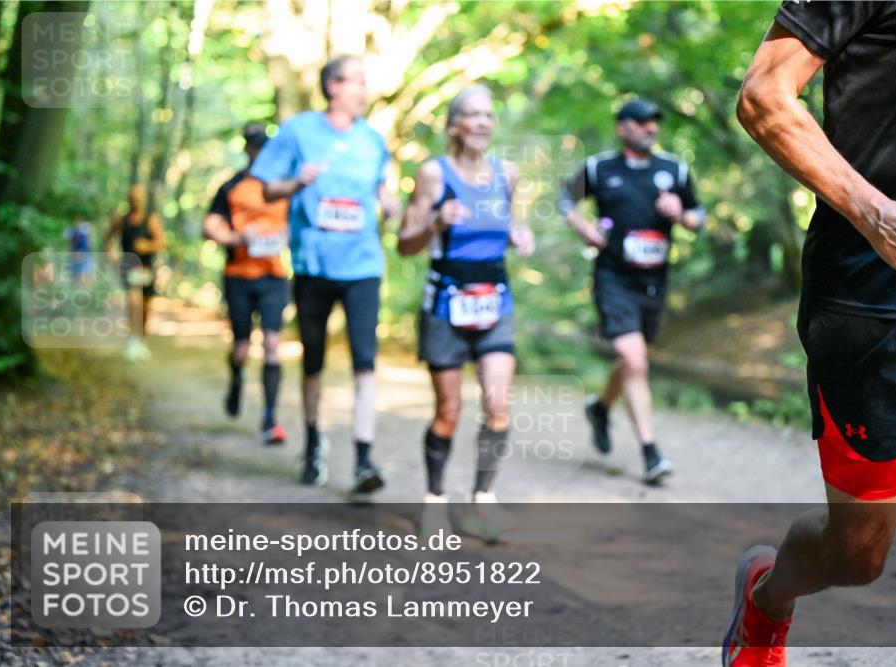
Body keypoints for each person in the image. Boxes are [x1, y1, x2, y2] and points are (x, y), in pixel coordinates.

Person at [724, 3, 896, 666]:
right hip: (869, 294)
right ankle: (767, 594)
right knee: (856, 552)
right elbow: (764, 96)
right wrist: (876, 212)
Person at [251, 55, 401, 491]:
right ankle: (315, 444)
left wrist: (389, 204)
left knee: (365, 361)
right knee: (313, 359)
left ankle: (364, 460)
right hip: (314, 264)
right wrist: (297, 182)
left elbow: (382, 189)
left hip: (362, 265)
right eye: (357, 82)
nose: (364, 90)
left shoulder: (373, 140)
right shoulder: (298, 131)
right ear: (333, 86)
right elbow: (267, 186)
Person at [397, 85, 534, 539]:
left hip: (495, 302)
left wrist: (518, 233)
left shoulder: (506, 174)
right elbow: (404, 243)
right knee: (448, 410)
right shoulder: (434, 175)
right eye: (472, 115)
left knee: (497, 405)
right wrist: (435, 222)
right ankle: (434, 501)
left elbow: (506, 219)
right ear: (454, 125)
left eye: (488, 116)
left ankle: (481, 501)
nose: (482, 123)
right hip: (445, 304)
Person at [559, 98, 704, 485]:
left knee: (632, 362)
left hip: (654, 282)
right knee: (635, 360)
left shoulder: (673, 169)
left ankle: (601, 407)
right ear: (623, 127)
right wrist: (585, 229)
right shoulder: (599, 168)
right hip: (613, 278)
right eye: (641, 123)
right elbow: (564, 199)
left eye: (654, 122)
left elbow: (698, 218)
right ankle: (650, 453)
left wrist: (683, 214)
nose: (651, 129)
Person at [203, 122, 290, 446]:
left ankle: (269, 418)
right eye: (255, 147)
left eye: (264, 147)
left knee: (271, 345)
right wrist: (237, 237)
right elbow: (209, 226)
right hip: (238, 276)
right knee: (242, 348)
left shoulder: (283, 186)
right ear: (247, 149)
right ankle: (237, 376)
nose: (260, 152)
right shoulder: (231, 187)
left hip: (274, 276)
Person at [103, 184, 166, 362]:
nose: (135, 200)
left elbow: (162, 242)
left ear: (143, 200)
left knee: (145, 307)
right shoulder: (121, 220)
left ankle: (141, 341)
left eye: (138, 197)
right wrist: (112, 258)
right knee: (133, 302)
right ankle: (132, 340)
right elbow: (107, 240)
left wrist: (147, 246)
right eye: (132, 197)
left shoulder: (150, 220)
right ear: (128, 199)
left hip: (146, 270)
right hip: (128, 268)